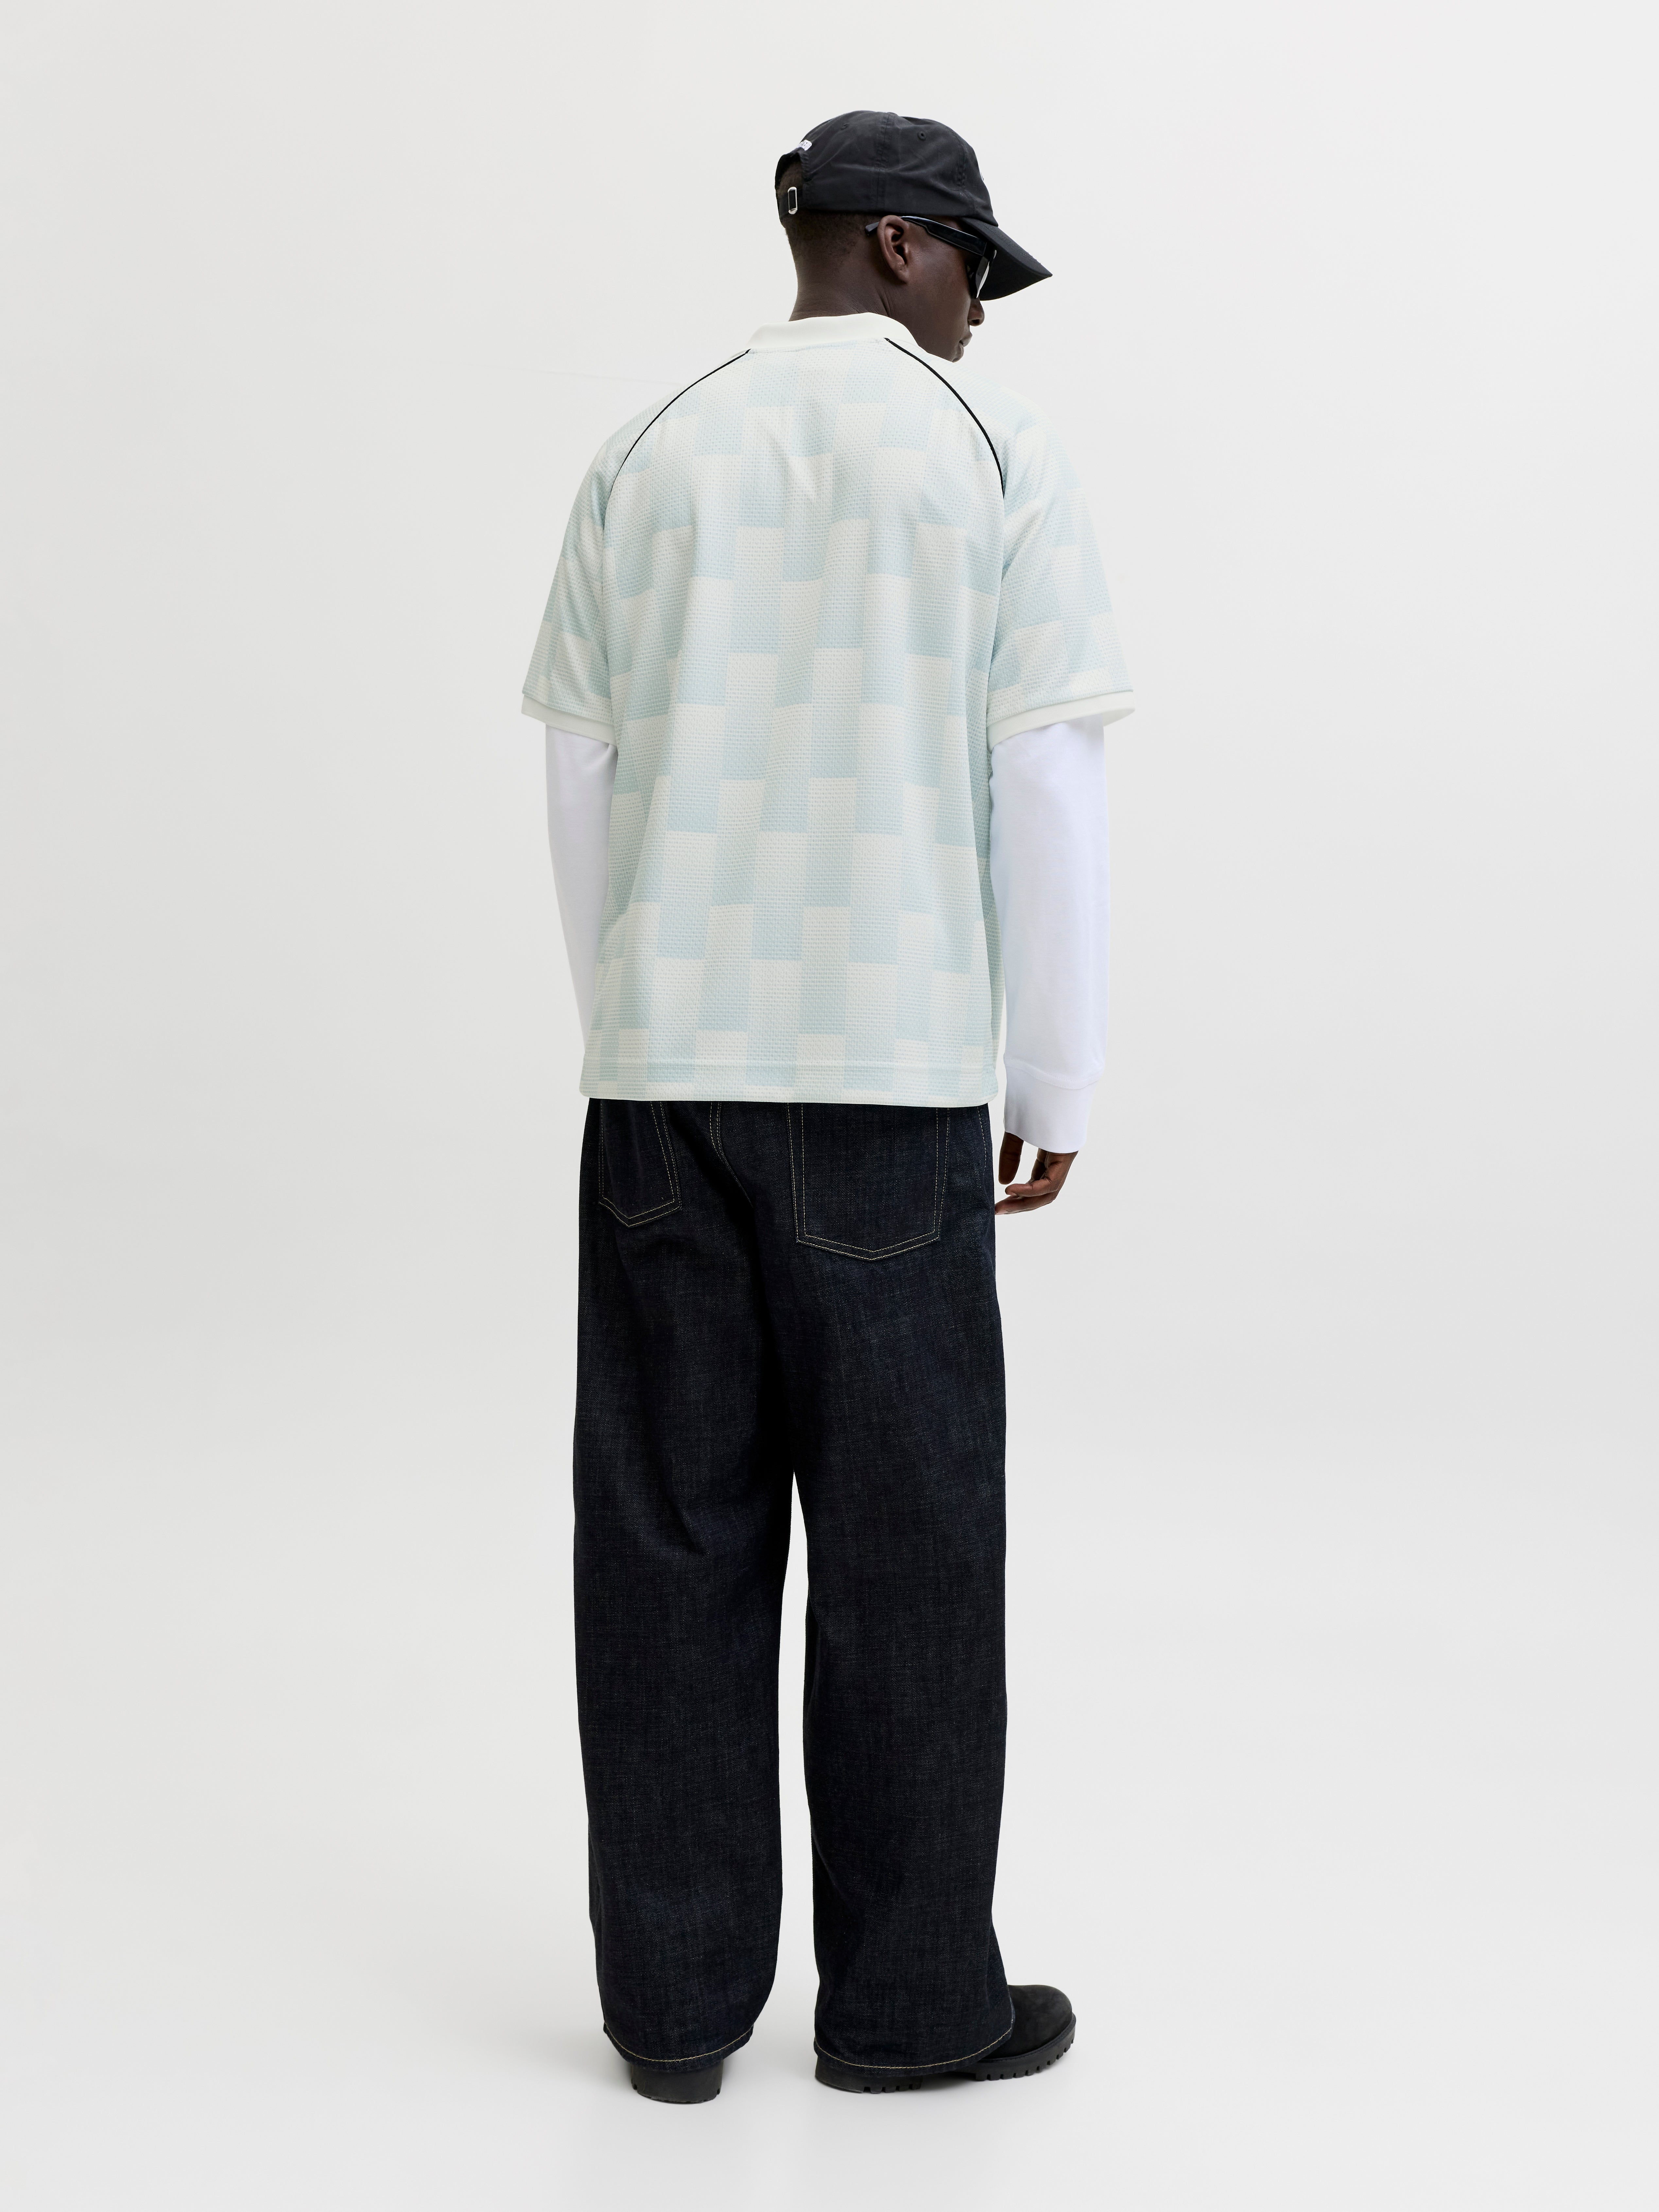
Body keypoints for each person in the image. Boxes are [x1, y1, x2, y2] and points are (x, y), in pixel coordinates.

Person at [521, 110, 1134, 2103]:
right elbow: (1043, 776)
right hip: (885, 1082)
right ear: (891, 244)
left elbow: (581, 773)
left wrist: (629, 1020)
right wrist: (1053, 1069)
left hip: (661, 1086)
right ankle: (906, 2008)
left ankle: (673, 2015)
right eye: (971, 268)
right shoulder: (990, 455)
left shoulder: (647, 447)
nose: (981, 311)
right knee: (910, 1556)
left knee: (665, 1540)